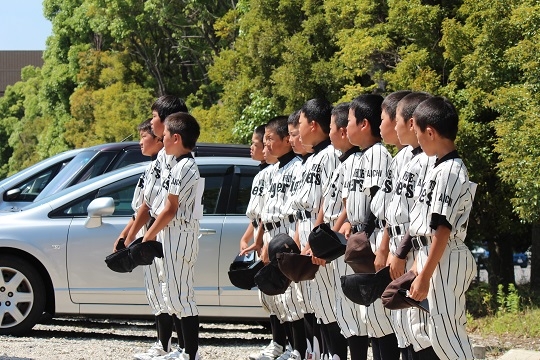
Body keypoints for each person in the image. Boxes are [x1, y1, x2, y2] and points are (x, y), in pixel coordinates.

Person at [407, 96, 477, 360]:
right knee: (430, 334)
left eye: (418, 133)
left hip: (445, 256)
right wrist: (419, 266)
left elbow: (442, 229)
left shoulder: (450, 170)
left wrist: (425, 275)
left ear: (430, 131)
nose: (418, 139)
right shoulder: (441, 167)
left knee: (447, 334)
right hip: (433, 255)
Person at [120, 96, 189, 360]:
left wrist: (144, 237)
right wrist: (129, 235)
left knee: (176, 294)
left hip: (170, 233)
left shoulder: (181, 161)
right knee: (158, 292)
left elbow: (168, 207)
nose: (150, 123)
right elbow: (145, 205)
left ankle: (183, 349)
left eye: (153, 117)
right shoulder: (160, 160)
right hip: (155, 231)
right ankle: (165, 345)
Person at [340, 94, 398, 360]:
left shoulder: (376, 154)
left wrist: (368, 240)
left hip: (375, 239)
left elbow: (378, 203)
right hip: (366, 236)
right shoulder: (364, 155)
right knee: (371, 317)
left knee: (379, 317)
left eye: (350, 120)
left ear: (364, 124)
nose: (346, 126)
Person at [243, 116, 303, 360]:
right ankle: (283, 345)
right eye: (264, 139)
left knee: (293, 298)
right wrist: (259, 240)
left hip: (287, 232)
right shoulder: (273, 171)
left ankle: (297, 348)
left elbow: (300, 211)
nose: (265, 143)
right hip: (269, 232)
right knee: (273, 295)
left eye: (270, 138)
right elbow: (264, 213)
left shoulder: (297, 166)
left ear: (287, 140)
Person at [385, 91, 437, 360]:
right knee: (404, 326)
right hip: (400, 245)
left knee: (421, 327)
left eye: (396, 120)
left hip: (416, 249)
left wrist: (401, 252)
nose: (393, 125)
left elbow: (420, 215)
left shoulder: (428, 161)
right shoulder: (405, 158)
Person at [292, 98, 341, 360]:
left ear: (312, 125)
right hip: (308, 234)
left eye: (300, 123)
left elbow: (329, 201)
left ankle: (333, 355)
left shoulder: (330, 155)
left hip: (322, 240)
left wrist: (318, 240)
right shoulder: (312, 158)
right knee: (317, 306)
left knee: (330, 307)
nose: (298, 130)